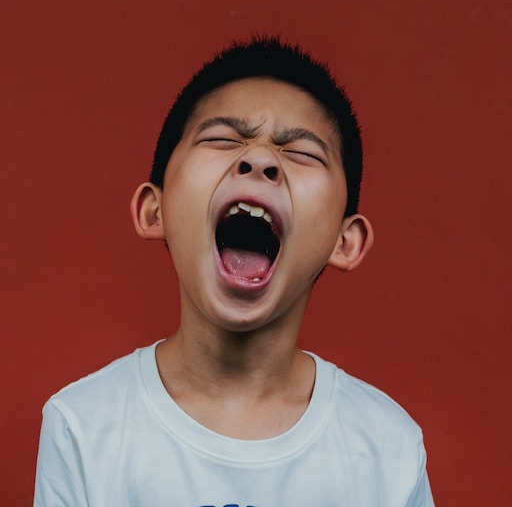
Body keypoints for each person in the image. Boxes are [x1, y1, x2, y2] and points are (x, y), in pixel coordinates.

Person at [34, 37, 434, 506]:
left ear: (345, 241)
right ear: (154, 210)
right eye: (222, 140)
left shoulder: (388, 448)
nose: (260, 159)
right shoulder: (81, 426)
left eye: (303, 153)